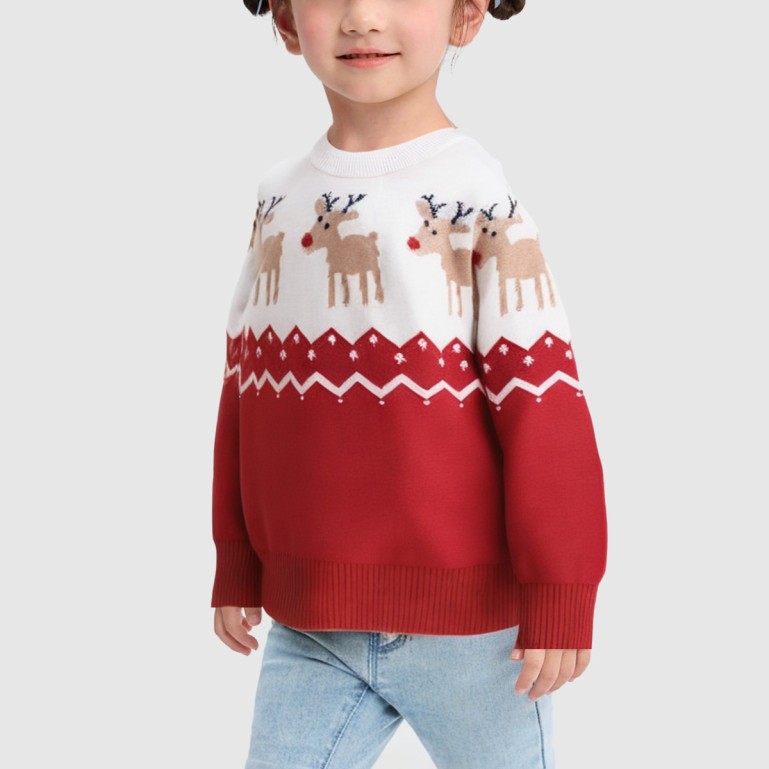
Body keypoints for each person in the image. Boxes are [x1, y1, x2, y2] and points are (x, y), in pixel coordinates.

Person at [211, 0, 608, 766]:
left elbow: (543, 405)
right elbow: (247, 383)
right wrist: (238, 558)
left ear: (467, 14)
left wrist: (561, 590)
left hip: (475, 639)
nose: (363, 16)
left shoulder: (476, 197)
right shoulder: (277, 197)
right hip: (310, 624)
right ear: (285, 20)